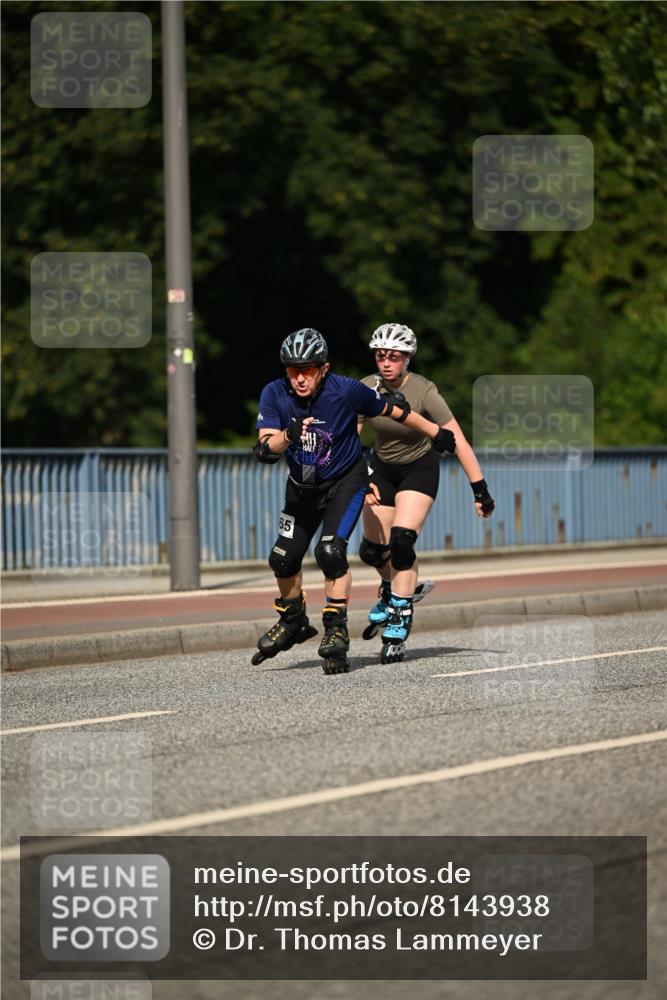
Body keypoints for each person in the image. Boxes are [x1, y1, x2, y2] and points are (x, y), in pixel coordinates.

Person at [252, 327, 456, 674]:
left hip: (345, 482)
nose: (300, 379)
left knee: (330, 552)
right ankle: (294, 619)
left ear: (324, 368)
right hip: (301, 488)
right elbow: (264, 450)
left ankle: (335, 630)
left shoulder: (345, 390)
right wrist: (288, 435)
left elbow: (394, 411)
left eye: (308, 370)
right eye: (293, 370)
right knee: (281, 559)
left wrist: (436, 432)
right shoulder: (274, 393)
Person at [357, 323, 495, 657]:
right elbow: (350, 436)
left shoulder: (423, 390)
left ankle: (401, 614)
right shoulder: (364, 388)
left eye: (394, 357)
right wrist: (361, 476)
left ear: (407, 359)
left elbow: (456, 439)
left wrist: (480, 489)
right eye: (380, 356)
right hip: (382, 469)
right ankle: (394, 590)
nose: (386, 363)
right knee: (372, 552)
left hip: (419, 468)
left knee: (402, 540)